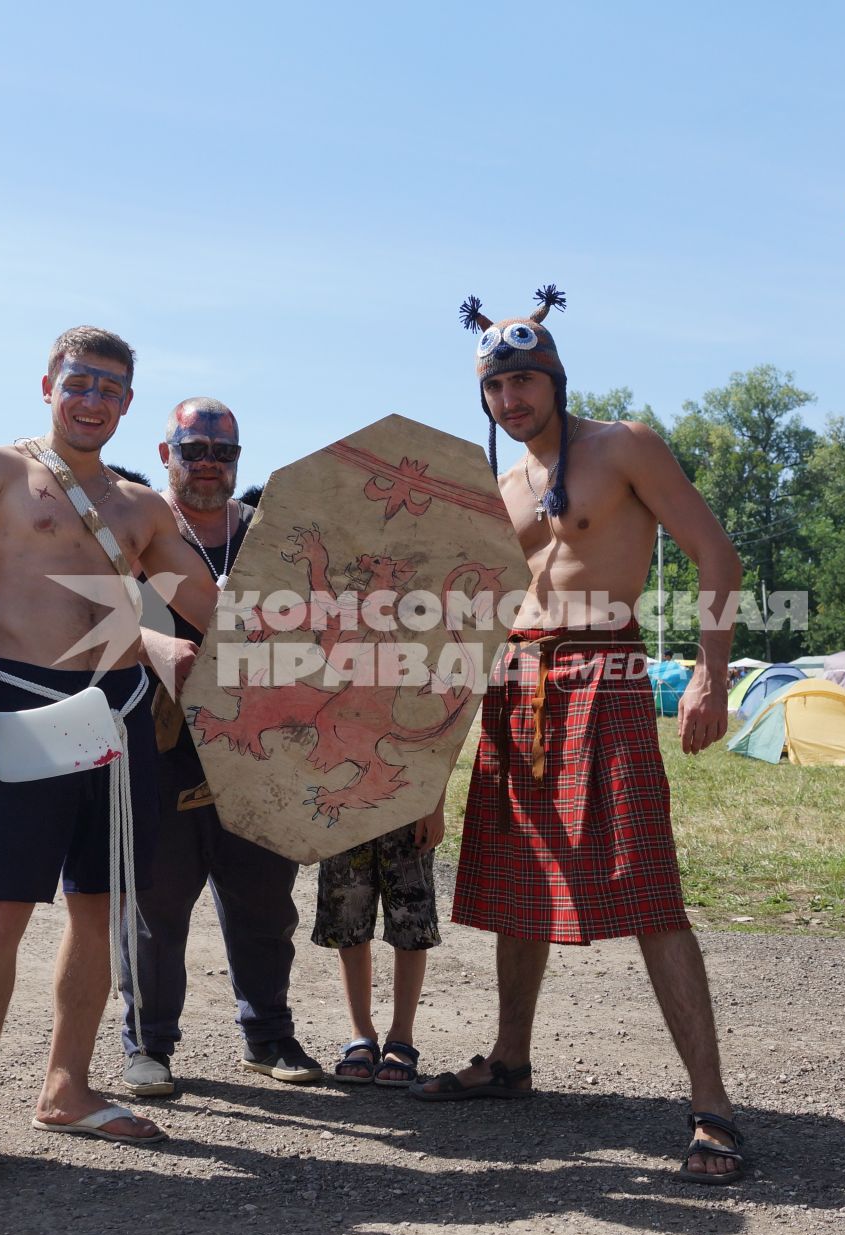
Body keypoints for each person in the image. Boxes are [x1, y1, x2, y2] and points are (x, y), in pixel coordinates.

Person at [410, 287, 746, 1187]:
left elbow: (718, 555)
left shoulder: (622, 446)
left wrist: (712, 672)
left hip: (608, 668)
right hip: (516, 679)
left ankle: (710, 1103)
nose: (511, 399)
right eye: (496, 387)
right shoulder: (500, 487)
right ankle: (510, 1061)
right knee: (517, 871)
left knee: (645, 881)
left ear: (555, 377)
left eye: (525, 380)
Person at [0, 327, 216, 1187]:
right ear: (49, 382)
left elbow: (213, 606)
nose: (94, 400)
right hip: (21, 706)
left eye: (113, 389)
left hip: (117, 720)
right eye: (81, 382)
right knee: (0, 911)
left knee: (101, 907)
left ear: (127, 404)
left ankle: (68, 1088)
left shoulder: (143, 506)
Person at [114, 398, 324, 1098]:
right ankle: (147, 1046)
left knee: (264, 894)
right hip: (158, 736)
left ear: (239, 459)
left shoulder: (272, 531)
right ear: (164, 451)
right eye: (192, 448)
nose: (207, 463)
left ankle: (269, 1035)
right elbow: (94, 612)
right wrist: (150, 640)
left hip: (258, 738)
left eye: (222, 452)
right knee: (155, 896)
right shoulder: (138, 527)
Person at [315, 821, 442, 1086]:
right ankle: (361, 1033)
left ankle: (401, 1037)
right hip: (342, 808)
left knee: (411, 922)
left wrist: (435, 806)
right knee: (348, 918)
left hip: (411, 807)